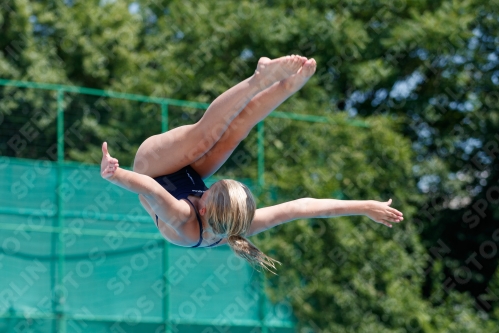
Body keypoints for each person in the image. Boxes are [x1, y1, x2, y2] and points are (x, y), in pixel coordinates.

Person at [100, 55, 404, 273]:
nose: (212, 184)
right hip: (185, 175)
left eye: (212, 189)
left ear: (203, 208)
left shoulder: (183, 219)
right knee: (233, 134)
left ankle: (258, 79)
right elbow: (301, 207)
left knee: (205, 137)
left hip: (151, 166)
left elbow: (151, 188)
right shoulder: (239, 222)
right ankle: (286, 87)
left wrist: (116, 174)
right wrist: (365, 206)